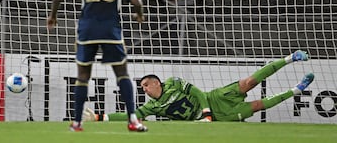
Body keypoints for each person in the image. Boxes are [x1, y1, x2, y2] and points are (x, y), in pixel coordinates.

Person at [47, 0, 148, 132]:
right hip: (111, 31)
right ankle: (133, 120)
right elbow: (137, 2)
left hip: (87, 32)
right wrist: (139, 15)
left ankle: (77, 123)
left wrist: (53, 17)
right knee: (122, 74)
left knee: (83, 77)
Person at [82, 50, 314, 122]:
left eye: (145, 85)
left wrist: (206, 112)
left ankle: (290, 58)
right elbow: (131, 116)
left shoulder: (173, 83)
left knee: (248, 82)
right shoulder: (153, 106)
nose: (144, 89)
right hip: (221, 117)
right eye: (141, 87)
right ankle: (297, 90)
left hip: (213, 101)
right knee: (256, 105)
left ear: (155, 82)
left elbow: (196, 92)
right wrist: (101, 118)